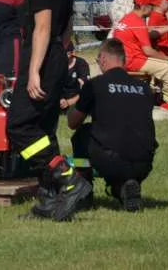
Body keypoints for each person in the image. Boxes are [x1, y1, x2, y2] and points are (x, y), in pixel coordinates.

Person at [6, 0, 90, 222]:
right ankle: (49, 198)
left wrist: (34, 70)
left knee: (19, 126)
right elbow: (66, 27)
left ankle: (66, 176)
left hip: (42, 54)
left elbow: (41, 26)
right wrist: (58, 57)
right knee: (43, 127)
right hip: (57, 52)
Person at [68, 38, 158, 212]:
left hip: (110, 159)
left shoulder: (95, 85)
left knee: (81, 135)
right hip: (144, 162)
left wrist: (76, 102)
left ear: (103, 59)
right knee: (126, 135)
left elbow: (73, 122)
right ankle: (125, 188)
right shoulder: (144, 88)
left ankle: (84, 193)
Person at [113, 0, 168, 113]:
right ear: (144, 6)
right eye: (152, 6)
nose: (153, 9)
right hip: (133, 61)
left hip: (123, 59)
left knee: (166, 66)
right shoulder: (138, 22)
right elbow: (148, 51)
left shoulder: (126, 18)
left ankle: (157, 96)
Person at [60, 44, 90, 112]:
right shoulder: (57, 64)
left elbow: (85, 87)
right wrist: (60, 99)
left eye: (66, 53)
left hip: (76, 97)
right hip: (60, 96)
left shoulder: (81, 63)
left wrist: (69, 102)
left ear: (72, 52)